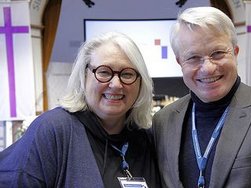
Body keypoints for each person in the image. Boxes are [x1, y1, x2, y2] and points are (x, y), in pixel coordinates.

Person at [0, 32, 161, 188]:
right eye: (104, 72)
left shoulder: (146, 139)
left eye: (127, 74)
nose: (116, 84)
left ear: (141, 82)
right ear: (83, 76)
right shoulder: (53, 130)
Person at [152, 6, 251, 188]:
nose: (208, 68)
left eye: (218, 53)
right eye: (193, 57)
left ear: (235, 53)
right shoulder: (162, 122)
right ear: (180, 62)